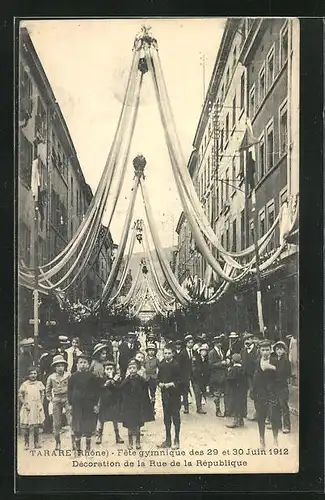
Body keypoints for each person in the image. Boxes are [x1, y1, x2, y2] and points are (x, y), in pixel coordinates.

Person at [251, 340, 281, 449]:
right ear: (259, 350)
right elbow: (254, 377)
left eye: (267, 350)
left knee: (274, 417)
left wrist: (271, 367)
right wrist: (253, 391)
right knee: (261, 417)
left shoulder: (275, 361)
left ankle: (275, 439)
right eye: (263, 350)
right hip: (260, 394)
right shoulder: (256, 362)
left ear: (270, 350)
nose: (265, 352)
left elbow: (280, 376)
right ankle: (262, 441)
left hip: (272, 394)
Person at [67, 353, 100, 452]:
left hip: (89, 404)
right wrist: (70, 404)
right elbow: (69, 390)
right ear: (77, 364)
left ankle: (88, 447)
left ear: (88, 364)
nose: (83, 365)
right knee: (77, 425)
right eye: (80, 362)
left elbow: (96, 391)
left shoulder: (92, 376)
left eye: (85, 362)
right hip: (77, 405)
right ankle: (78, 448)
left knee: (88, 425)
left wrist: (96, 404)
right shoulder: (73, 376)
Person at [119, 358, 154, 450]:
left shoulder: (141, 380)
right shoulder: (126, 381)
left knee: (138, 426)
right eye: (130, 368)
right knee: (130, 427)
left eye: (134, 368)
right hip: (129, 406)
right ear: (128, 370)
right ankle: (130, 443)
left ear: (137, 369)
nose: (132, 370)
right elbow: (121, 390)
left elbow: (145, 392)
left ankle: (138, 442)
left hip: (138, 406)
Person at [157, 344, 182, 449]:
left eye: (169, 353)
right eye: (165, 353)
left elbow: (180, 381)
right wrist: (159, 384)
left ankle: (177, 439)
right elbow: (158, 377)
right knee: (166, 417)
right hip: (165, 395)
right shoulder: (162, 364)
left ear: (173, 353)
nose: (167, 355)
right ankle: (168, 440)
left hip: (174, 394)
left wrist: (171, 384)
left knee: (175, 416)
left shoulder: (176, 365)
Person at [45, 355, 72, 450]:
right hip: (56, 399)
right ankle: (57, 442)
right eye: (57, 366)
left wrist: (71, 398)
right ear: (54, 367)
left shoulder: (68, 375)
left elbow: (72, 387)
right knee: (56, 423)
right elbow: (47, 390)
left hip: (67, 398)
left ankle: (74, 443)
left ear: (65, 366)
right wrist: (51, 399)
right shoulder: (51, 377)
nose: (60, 368)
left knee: (71, 420)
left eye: (62, 366)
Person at [96, 360, 124, 445]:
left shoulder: (117, 378)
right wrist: (105, 384)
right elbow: (99, 388)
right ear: (104, 370)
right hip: (104, 401)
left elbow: (119, 388)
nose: (109, 371)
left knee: (114, 419)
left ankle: (117, 435)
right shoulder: (101, 379)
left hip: (113, 401)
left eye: (111, 369)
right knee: (102, 419)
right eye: (107, 369)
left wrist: (114, 381)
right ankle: (99, 436)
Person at [19, 366, 45, 450]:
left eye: (35, 373)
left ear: (37, 374)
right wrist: (24, 403)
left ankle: (36, 442)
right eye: (31, 374)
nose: (33, 375)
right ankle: (26, 443)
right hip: (28, 406)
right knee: (26, 426)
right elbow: (20, 395)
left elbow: (42, 394)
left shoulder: (39, 383)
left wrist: (41, 403)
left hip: (37, 406)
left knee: (36, 425)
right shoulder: (25, 384)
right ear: (28, 375)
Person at [272, 340, 291, 433]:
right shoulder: (275, 360)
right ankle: (278, 424)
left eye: (281, 349)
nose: (279, 351)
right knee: (276, 405)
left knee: (284, 406)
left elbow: (287, 373)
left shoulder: (286, 361)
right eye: (277, 349)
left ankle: (286, 426)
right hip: (275, 386)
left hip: (282, 386)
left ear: (284, 350)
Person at [225, 353, 247, 428]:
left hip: (235, 390)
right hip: (242, 390)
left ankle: (235, 421)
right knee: (241, 404)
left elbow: (230, 380)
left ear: (232, 361)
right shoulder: (243, 369)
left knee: (235, 405)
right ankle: (241, 420)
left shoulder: (233, 369)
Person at [241, 333, 259, 421]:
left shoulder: (257, 350)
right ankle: (243, 412)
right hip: (244, 376)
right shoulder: (243, 350)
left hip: (253, 376)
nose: (247, 341)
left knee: (254, 394)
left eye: (248, 339)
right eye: (245, 340)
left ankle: (258, 414)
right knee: (243, 393)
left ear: (252, 340)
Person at [208, 336, 227, 417]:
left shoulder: (222, 351)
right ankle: (218, 410)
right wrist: (221, 363)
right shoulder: (211, 353)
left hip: (223, 375)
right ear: (215, 343)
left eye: (220, 342)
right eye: (218, 342)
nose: (220, 344)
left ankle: (227, 410)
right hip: (216, 376)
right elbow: (211, 365)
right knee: (217, 394)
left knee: (224, 393)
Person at [191, 344, 209, 414]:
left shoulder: (206, 359)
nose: (204, 352)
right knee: (198, 393)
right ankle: (199, 408)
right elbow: (194, 369)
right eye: (203, 351)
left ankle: (200, 406)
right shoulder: (196, 358)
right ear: (200, 351)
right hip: (196, 379)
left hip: (202, 379)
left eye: (205, 351)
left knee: (201, 392)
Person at [180, 334, 194, 414]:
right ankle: (186, 408)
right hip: (185, 375)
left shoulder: (195, 352)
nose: (190, 344)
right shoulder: (183, 353)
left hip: (194, 375)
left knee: (197, 391)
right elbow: (180, 365)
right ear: (186, 343)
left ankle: (199, 407)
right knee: (185, 392)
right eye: (189, 343)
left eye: (192, 342)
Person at [144, 343, 159, 414]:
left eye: (153, 350)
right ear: (147, 351)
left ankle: (152, 408)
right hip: (146, 378)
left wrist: (158, 377)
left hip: (153, 378)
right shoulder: (145, 359)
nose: (151, 352)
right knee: (145, 393)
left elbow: (159, 368)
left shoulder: (156, 360)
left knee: (153, 393)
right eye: (149, 350)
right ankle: (146, 408)